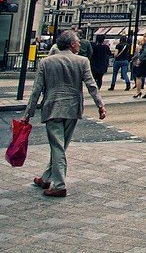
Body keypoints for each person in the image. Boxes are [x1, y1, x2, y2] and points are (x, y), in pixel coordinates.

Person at [22, 30, 107, 197]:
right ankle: (51, 180)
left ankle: (56, 183)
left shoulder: (46, 62)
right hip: (73, 108)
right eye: (77, 42)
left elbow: (36, 90)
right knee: (60, 146)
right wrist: (100, 105)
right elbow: (91, 85)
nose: (80, 44)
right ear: (71, 44)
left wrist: (28, 113)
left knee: (58, 146)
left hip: (53, 107)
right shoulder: (82, 61)